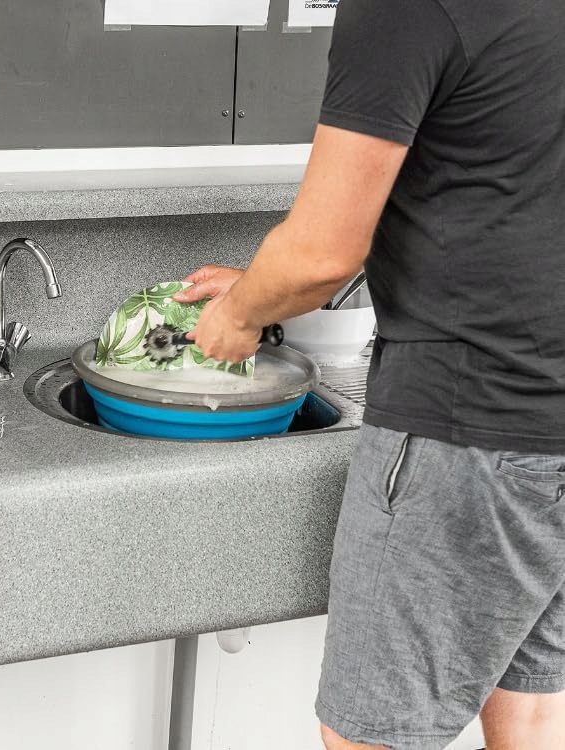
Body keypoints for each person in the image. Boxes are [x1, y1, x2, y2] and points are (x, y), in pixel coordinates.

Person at [173, 0, 565, 747]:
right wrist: (262, 284)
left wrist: (242, 316)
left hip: (467, 425)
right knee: (533, 705)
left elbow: (323, 254)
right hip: (545, 421)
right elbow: (502, 195)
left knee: (369, 736)